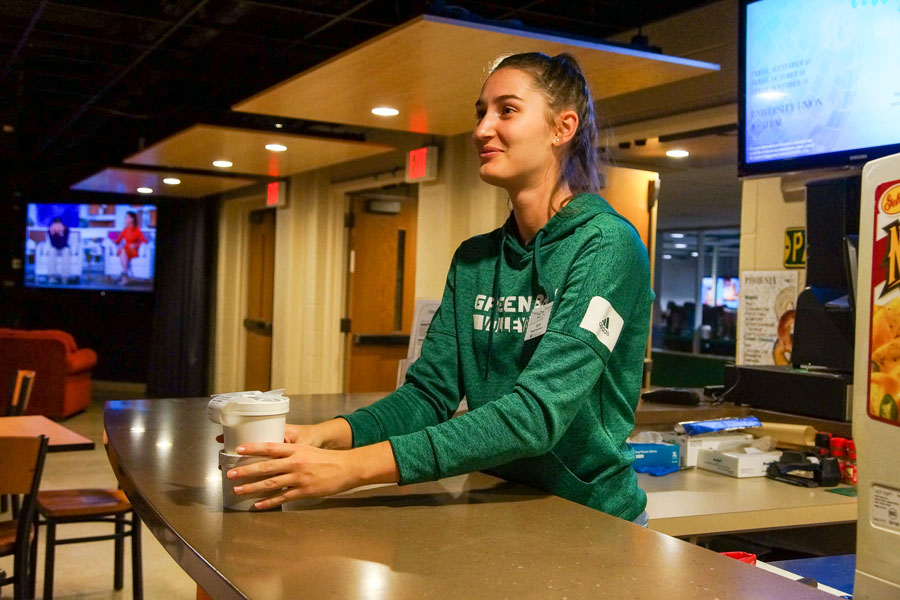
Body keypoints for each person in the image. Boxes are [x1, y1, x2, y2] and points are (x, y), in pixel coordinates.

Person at [227, 52, 654, 524]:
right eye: (481, 113)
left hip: (591, 520)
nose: (482, 129)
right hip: (500, 504)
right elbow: (428, 395)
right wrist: (326, 436)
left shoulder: (606, 246)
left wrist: (351, 469)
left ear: (562, 127)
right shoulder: (476, 258)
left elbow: (535, 418)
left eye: (506, 110)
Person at [114, 211, 147, 284]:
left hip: (133, 250)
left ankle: (124, 276)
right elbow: (117, 241)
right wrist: (111, 237)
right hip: (125, 249)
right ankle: (125, 276)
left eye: (127, 217)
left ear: (132, 219)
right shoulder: (125, 230)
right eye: (125, 217)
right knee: (123, 251)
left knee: (123, 251)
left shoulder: (137, 230)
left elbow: (144, 241)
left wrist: (136, 245)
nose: (125, 219)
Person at [47, 217, 70, 283]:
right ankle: (52, 276)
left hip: (64, 247)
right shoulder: (50, 230)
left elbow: (64, 243)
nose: (57, 227)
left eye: (58, 225)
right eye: (55, 225)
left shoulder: (66, 229)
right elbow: (53, 244)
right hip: (55, 247)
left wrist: (61, 234)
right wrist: (53, 234)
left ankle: (64, 277)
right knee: (52, 251)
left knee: (66, 251)